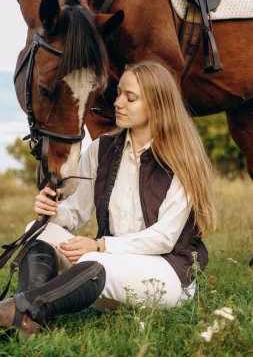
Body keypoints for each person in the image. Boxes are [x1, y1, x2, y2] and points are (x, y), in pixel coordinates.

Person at [0, 61, 216, 338]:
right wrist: (53, 211)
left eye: (131, 97)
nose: (118, 103)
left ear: (157, 105)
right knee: (36, 229)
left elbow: (164, 238)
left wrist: (101, 244)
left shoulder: (182, 160)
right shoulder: (101, 149)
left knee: (96, 261)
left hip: (167, 276)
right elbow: (76, 214)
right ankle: (28, 321)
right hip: (103, 274)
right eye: (118, 93)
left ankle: (17, 310)